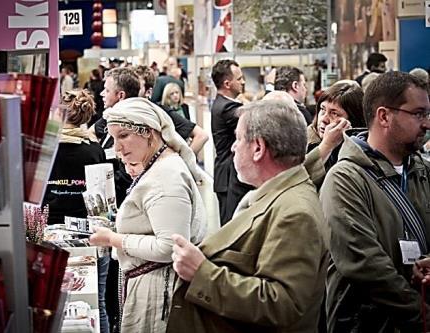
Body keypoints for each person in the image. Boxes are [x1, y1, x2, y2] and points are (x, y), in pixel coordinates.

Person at [166, 100, 329, 333]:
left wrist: (202, 273)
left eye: (239, 138)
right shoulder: (273, 195)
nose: (233, 147)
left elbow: (282, 303)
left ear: (258, 148)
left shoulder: (294, 214)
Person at [320, 71, 430, 332]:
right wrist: (421, 313)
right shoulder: (345, 179)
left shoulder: (422, 171)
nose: (426, 123)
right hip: (366, 322)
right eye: (418, 114)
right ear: (384, 116)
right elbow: (365, 264)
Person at [89, 97, 207, 333]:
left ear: (149, 133)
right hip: (154, 285)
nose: (117, 147)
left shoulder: (166, 178)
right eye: (114, 138)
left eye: (123, 136)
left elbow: (169, 246)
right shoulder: (159, 167)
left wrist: (114, 239)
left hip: (158, 292)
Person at [41, 89, 111, 333]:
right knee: (97, 302)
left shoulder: (44, 150)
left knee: (46, 302)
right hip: (88, 235)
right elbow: (103, 202)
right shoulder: (94, 150)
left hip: (47, 233)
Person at [210, 59, 253, 226]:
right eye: (239, 78)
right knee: (231, 228)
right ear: (227, 83)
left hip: (228, 176)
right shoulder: (226, 108)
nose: (243, 82)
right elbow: (254, 116)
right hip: (228, 177)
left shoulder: (225, 105)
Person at [307, 81, 364, 177]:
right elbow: (299, 179)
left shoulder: (359, 149)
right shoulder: (303, 142)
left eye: (334, 113)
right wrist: (327, 145)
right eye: (322, 109)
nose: (324, 119)